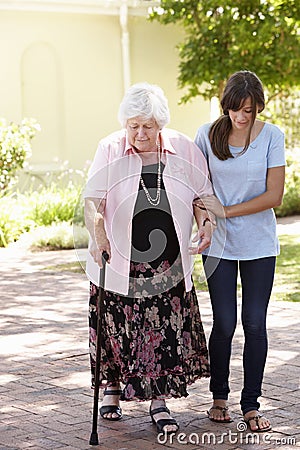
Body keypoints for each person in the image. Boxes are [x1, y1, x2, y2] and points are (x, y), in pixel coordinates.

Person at [84, 82, 215, 435]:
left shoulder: (184, 149)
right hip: (120, 256)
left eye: (148, 126)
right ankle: (111, 386)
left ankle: (159, 400)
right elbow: (93, 201)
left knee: (162, 333)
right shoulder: (110, 148)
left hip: (168, 261)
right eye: (133, 125)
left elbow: (202, 197)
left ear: (161, 123)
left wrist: (206, 224)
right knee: (116, 327)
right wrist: (99, 237)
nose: (140, 134)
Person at [194, 70, 285, 432]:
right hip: (217, 245)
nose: (241, 117)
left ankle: (250, 404)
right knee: (225, 323)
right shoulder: (207, 134)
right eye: (235, 110)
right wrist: (205, 220)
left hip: (259, 245)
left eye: (248, 110)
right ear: (226, 107)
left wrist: (227, 211)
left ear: (258, 106)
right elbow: (198, 190)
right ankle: (219, 397)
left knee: (254, 324)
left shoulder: (272, 137)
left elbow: (274, 195)